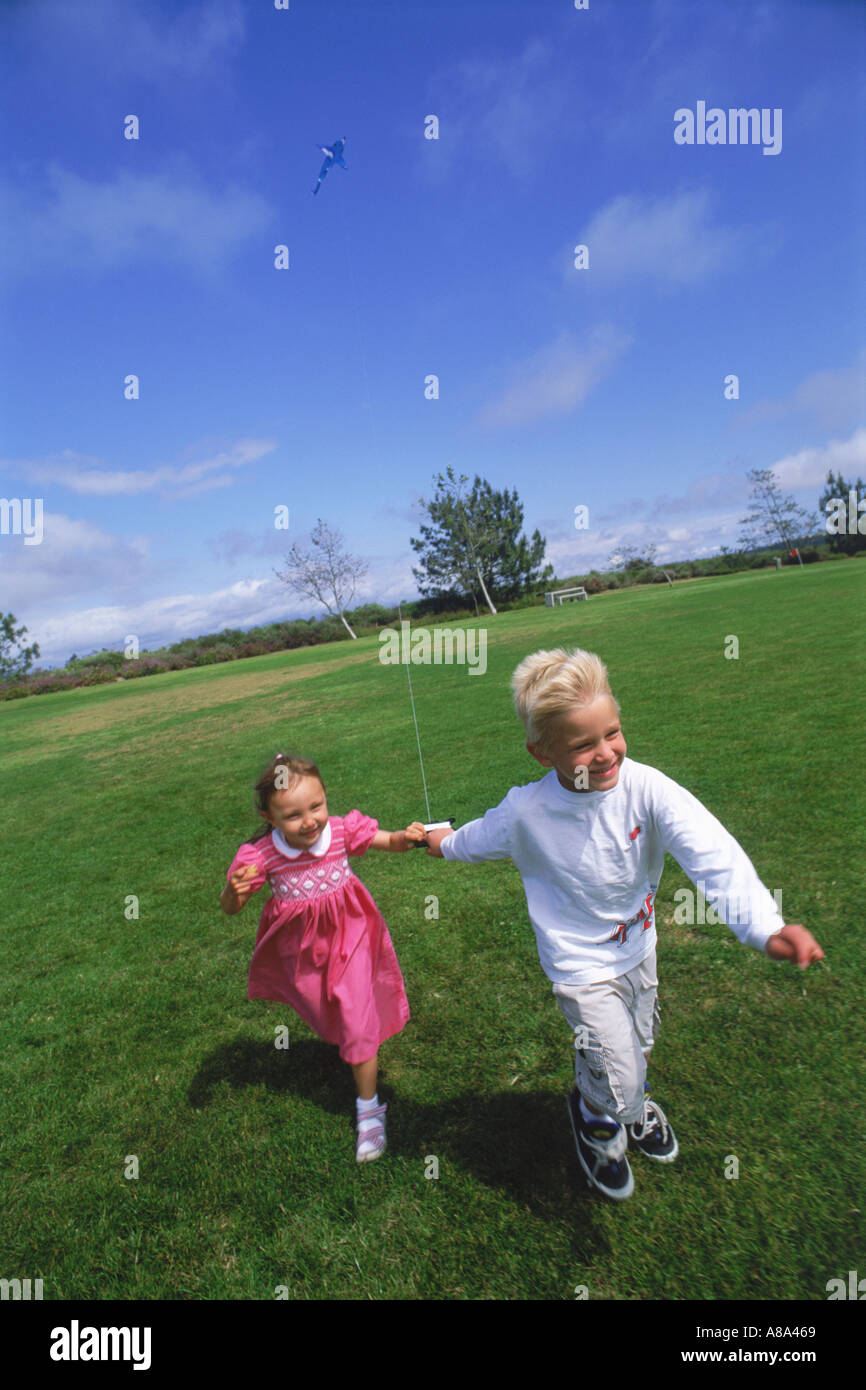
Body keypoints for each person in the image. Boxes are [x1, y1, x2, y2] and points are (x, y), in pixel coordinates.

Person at [423, 648, 824, 1201]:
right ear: (542, 753)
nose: (606, 752)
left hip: (639, 948)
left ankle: (623, 1101)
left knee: (641, 1043)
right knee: (621, 1072)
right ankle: (598, 1117)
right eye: (583, 744)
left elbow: (713, 853)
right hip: (578, 965)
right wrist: (436, 840)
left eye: (612, 732)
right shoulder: (525, 812)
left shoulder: (649, 789)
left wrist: (763, 926)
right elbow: (470, 840)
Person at [221, 752, 427, 1162]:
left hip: (352, 937)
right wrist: (234, 890)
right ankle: (353, 1046)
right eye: (293, 815)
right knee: (326, 1012)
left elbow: (383, 840)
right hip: (303, 955)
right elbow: (230, 906)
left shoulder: (340, 831)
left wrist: (406, 838)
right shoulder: (262, 855)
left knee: (355, 1020)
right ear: (269, 817)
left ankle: (369, 1110)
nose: (310, 821)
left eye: (316, 806)